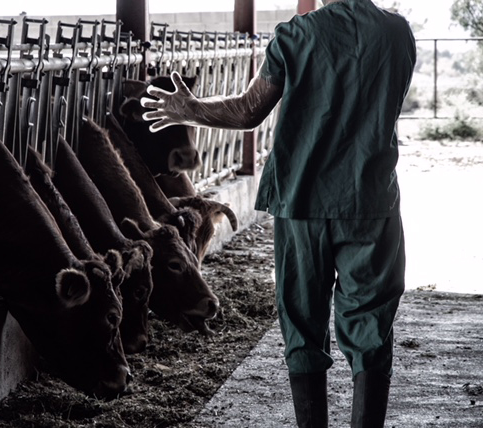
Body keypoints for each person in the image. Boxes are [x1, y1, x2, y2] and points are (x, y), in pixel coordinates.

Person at [140, 0, 416, 426]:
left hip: (302, 199)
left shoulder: (295, 35)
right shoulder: (397, 34)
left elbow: (250, 111)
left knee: (303, 322)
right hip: (370, 201)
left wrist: (189, 108)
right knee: (372, 325)